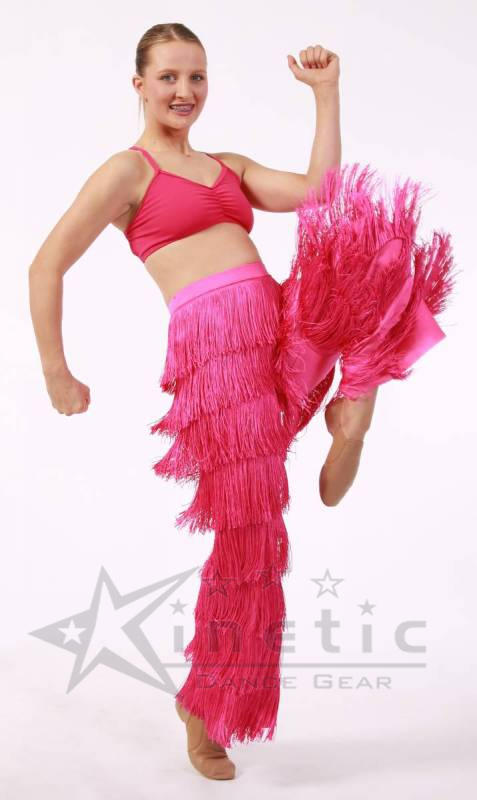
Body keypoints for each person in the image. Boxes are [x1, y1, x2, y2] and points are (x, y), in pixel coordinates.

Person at [28, 23, 456, 781]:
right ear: (139, 85)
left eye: (195, 77)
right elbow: (45, 266)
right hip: (217, 358)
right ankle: (205, 703)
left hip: (278, 332)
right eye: (168, 77)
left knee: (367, 252)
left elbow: (320, 194)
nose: (183, 91)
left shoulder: (228, 167)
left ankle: (353, 401)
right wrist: (57, 371)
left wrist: (325, 94)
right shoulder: (126, 172)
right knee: (252, 533)